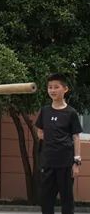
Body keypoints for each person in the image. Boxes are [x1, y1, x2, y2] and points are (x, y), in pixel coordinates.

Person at [35, 73, 82, 214]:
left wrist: (76, 162)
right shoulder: (45, 111)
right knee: (46, 199)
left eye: (56, 87)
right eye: (50, 87)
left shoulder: (71, 113)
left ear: (65, 89)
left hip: (66, 163)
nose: (52, 90)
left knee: (67, 199)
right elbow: (40, 131)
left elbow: (76, 137)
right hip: (48, 162)